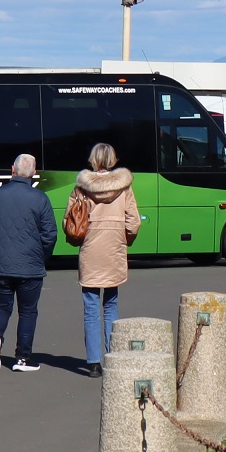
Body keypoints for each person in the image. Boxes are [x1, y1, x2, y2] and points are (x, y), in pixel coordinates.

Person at [0, 153, 54, 374]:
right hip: (31, 267)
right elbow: (50, 234)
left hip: (0, 265)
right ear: (34, 174)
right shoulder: (40, 199)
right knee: (28, 311)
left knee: (0, 307)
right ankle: (23, 358)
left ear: (13, 170)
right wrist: (41, 256)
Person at [73, 143, 142, 377]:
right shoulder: (124, 188)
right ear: (113, 160)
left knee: (91, 307)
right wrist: (124, 240)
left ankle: (93, 363)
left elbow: (69, 220)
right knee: (111, 304)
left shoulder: (81, 187)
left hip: (91, 250)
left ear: (93, 160)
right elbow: (133, 222)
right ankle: (112, 356)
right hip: (114, 249)